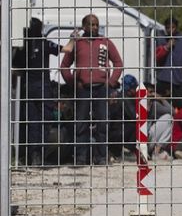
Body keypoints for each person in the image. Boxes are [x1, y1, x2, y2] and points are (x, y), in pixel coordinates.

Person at [59, 14, 124, 165]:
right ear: (84, 27)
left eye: (96, 25)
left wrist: (111, 82)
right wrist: (73, 82)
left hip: (102, 89)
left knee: (102, 123)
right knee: (80, 123)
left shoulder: (105, 42)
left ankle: (101, 158)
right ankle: (80, 158)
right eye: (91, 24)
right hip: (83, 89)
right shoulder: (77, 43)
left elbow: (118, 63)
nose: (94, 27)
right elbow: (64, 66)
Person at [12, 17, 74, 166]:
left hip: (28, 88)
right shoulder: (45, 43)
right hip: (42, 88)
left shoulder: (22, 46)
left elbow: (15, 67)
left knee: (32, 122)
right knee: (44, 121)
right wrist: (73, 38)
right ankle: (40, 156)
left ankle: (33, 156)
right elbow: (68, 49)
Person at [154, 17, 182, 105]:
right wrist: (166, 47)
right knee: (161, 106)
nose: (170, 30)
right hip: (163, 80)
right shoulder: (161, 39)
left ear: (177, 27)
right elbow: (156, 56)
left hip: (180, 81)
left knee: (180, 107)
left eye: (173, 27)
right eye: (167, 28)